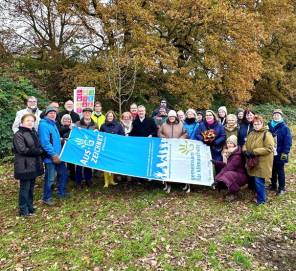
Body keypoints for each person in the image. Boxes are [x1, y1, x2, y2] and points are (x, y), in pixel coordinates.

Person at [38, 106, 71, 206]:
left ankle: (61, 192)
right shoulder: (43, 125)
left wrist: (61, 140)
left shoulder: (54, 124)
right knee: (50, 179)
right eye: (50, 113)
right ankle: (46, 198)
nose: (53, 115)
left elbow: (54, 138)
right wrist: (53, 155)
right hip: (50, 157)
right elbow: (45, 143)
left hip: (58, 156)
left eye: (54, 113)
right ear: (46, 114)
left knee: (64, 173)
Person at [13, 114, 44, 217]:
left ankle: (30, 206)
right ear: (22, 122)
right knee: (25, 188)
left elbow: (38, 145)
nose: (30, 122)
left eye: (32, 120)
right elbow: (22, 149)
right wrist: (37, 151)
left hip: (34, 164)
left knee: (31, 187)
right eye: (28, 120)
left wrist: (41, 151)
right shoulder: (19, 134)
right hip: (24, 165)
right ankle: (23, 209)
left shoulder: (33, 132)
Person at [243, 115, 274, 206]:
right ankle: (259, 197)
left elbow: (269, 148)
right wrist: (244, 150)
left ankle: (261, 201)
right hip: (253, 160)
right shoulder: (252, 133)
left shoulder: (266, 134)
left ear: (262, 124)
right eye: (254, 124)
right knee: (256, 180)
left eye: (258, 124)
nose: (256, 126)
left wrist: (255, 152)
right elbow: (246, 143)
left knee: (259, 181)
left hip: (261, 162)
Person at [158, 110, 188, 193]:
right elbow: (159, 133)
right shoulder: (164, 124)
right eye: (170, 116)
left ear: (175, 117)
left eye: (173, 116)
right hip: (167, 148)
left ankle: (181, 182)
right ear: (168, 117)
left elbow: (185, 134)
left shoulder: (180, 124)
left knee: (178, 165)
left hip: (177, 148)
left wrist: (180, 139)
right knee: (167, 166)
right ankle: (168, 184)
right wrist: (164, 137)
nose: (171, 118)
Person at [212, 135, 248, 202]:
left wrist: (216, 180)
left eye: (231, 143)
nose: (229, 145)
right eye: (228, 143)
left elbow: (227, 168)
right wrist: (216, 162)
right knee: (227, 173)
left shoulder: (236, 156)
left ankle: (233, 194)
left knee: (228, 174)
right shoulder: (230, 152)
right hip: (237, 174)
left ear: (234, 144)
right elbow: (227, 164)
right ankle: (230, 191)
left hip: (242, 176)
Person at [129, 105, 158, 184]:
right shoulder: (135, 121)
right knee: (139, 162)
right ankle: (140, 178)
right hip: (139, 146)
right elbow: (133, 132)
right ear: (138, 112)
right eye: (140, 111)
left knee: (150, 161)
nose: (141, 112)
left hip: (148, 145)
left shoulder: (150, 120)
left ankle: (152, 178)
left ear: (145, 112)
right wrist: (128, 134)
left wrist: (152, 135)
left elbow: (156, 130)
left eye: (142, 111)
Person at [267, 109, 292, 195]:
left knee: (280, 170)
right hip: (270, 152)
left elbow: (287, 141)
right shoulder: (269, 126)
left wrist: (285, 152)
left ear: (281, 117)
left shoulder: (284, 127)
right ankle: (273, 184)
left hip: (280, 153)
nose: (276, 116)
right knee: (272, 170)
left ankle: (282, 188)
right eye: (274, 115)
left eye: (278, 115)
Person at [195, 110, 226, 175]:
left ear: (213, 116)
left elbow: (223, 136)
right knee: (204, 164)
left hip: (216, 148)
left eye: (210, 115)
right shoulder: (202, 124)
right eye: (207, 115)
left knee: (218, 165)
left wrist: (215, 142)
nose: (208, 116)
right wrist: (203, 139)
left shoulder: (219, 125)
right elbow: (197, 134)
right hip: (205, 148)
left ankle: (218, 180)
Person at [75, 107, 98, 189]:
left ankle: (88, 180)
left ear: (91, 114)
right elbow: (74, 134)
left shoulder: (95, 124)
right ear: (83, 113)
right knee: (79, 165)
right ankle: (78, 181)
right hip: (80, 147)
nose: (87, 114)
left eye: (89, 112)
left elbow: (97, 136)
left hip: (90, 147)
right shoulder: (77, 124)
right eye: (85, 112)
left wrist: (96, 132)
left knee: (88, 164)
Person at [100, 110, 125, 187]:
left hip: (115, 147)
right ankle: (106, 182)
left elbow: (122, 135)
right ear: (106, 117)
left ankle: (111, 180)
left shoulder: (118, 125)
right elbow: (100, 136)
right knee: (106, 164)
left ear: (113, 117)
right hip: (106, 147)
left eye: (111, 116)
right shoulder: (103, 126)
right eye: (108, 116)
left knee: (113, 163)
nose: (110, 117)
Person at [60, 114, 76, 181]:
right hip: (62, 148)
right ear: (62, 120)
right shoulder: (60, 128)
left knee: (71, 163)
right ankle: (62, 177)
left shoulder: (73, 128)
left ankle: (72, 176)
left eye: (68, 119)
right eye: (65, 119)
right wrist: (62, 139)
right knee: (62, 163)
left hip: (70, 148)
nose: (67, 120)